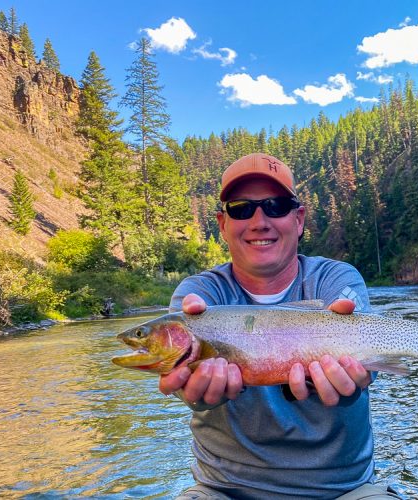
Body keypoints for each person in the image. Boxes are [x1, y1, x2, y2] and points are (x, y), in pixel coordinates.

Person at [159, 153, 399, 499]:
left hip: (343, 492)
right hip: (224, 492)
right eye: (241, 208)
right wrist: (191, 391)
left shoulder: (336, 279)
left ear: (298, 219)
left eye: (276, 206)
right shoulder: (199, 298)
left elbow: (365, 363)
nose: (259, 221)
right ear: (222, 223)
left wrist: (360, 373)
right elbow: (186, 386)